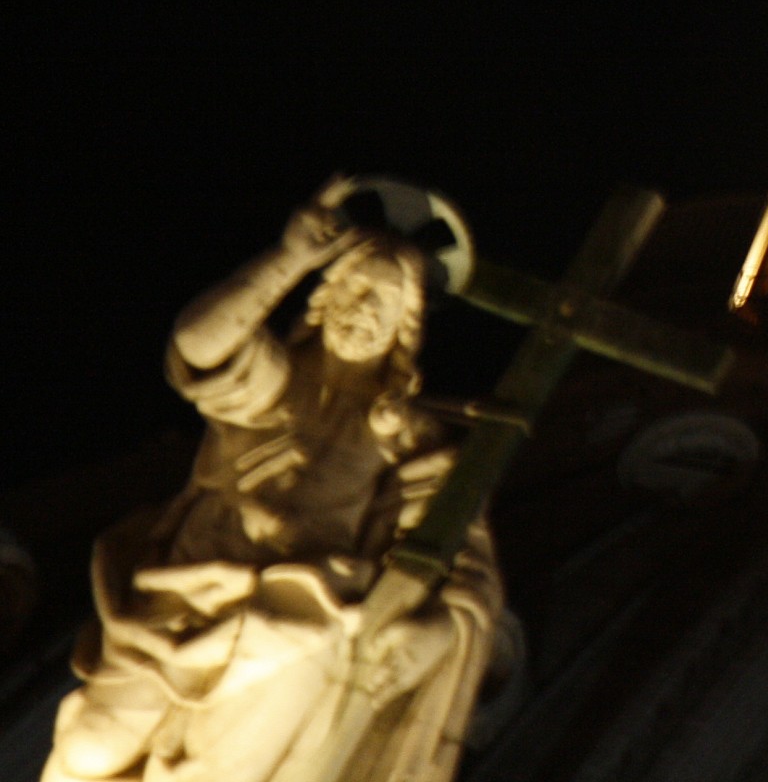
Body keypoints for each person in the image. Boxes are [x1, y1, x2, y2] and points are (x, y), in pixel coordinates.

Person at [44, 182, 502, 782]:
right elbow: (199, 346)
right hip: (184, 590)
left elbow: (454, 553)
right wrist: (287, 261)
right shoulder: (279, 386)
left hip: (300, 618)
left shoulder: (408, 438)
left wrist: (434, 631)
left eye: (383, 302)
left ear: (405, 328)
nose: (364, 308)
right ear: (325, 298)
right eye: (354, 288)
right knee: (90, 751)